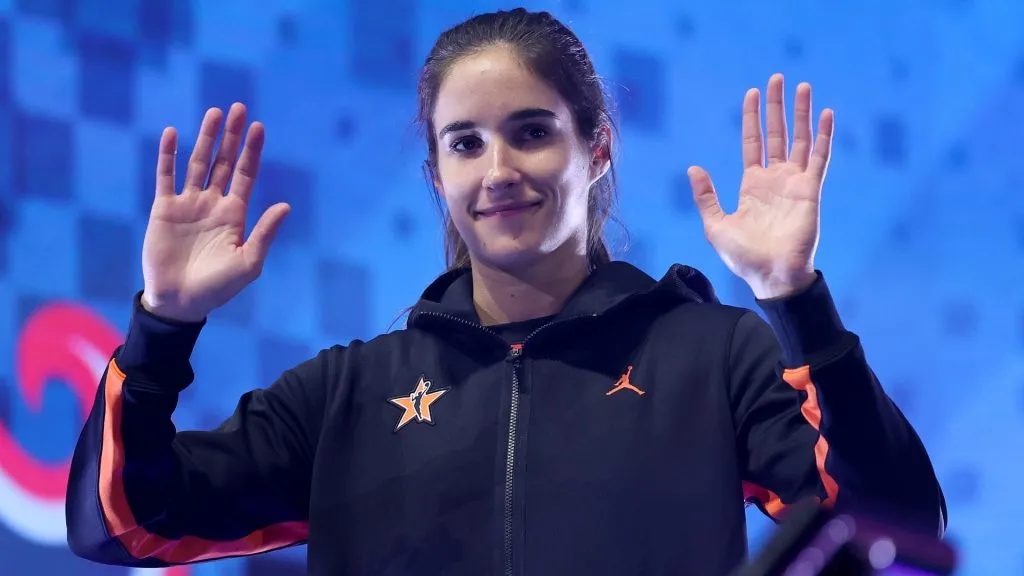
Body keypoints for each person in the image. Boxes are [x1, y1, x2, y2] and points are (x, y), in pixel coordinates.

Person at [65, 8, 946, 576]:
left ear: (595, 148)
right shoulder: (346, 394)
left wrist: (795, 300)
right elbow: (122, 526)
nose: (500, 172)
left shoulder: (711, 354)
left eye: (531, 132)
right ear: (434, 173)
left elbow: (893, 526)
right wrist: (163, 324)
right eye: (465, 143)